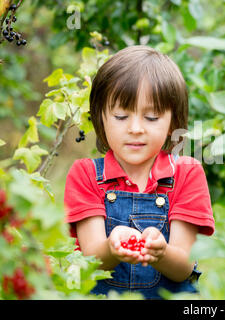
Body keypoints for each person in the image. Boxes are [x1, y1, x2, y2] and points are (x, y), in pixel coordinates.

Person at [63, 45, 215, 299]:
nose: (135, 128)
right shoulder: (85, 174)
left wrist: (161, 252)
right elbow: (90, 261)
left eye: (152, 117)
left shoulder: (187, 174)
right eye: (121, 116)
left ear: (172, 123)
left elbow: (183, 268)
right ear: (100, 118)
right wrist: (112, 248)